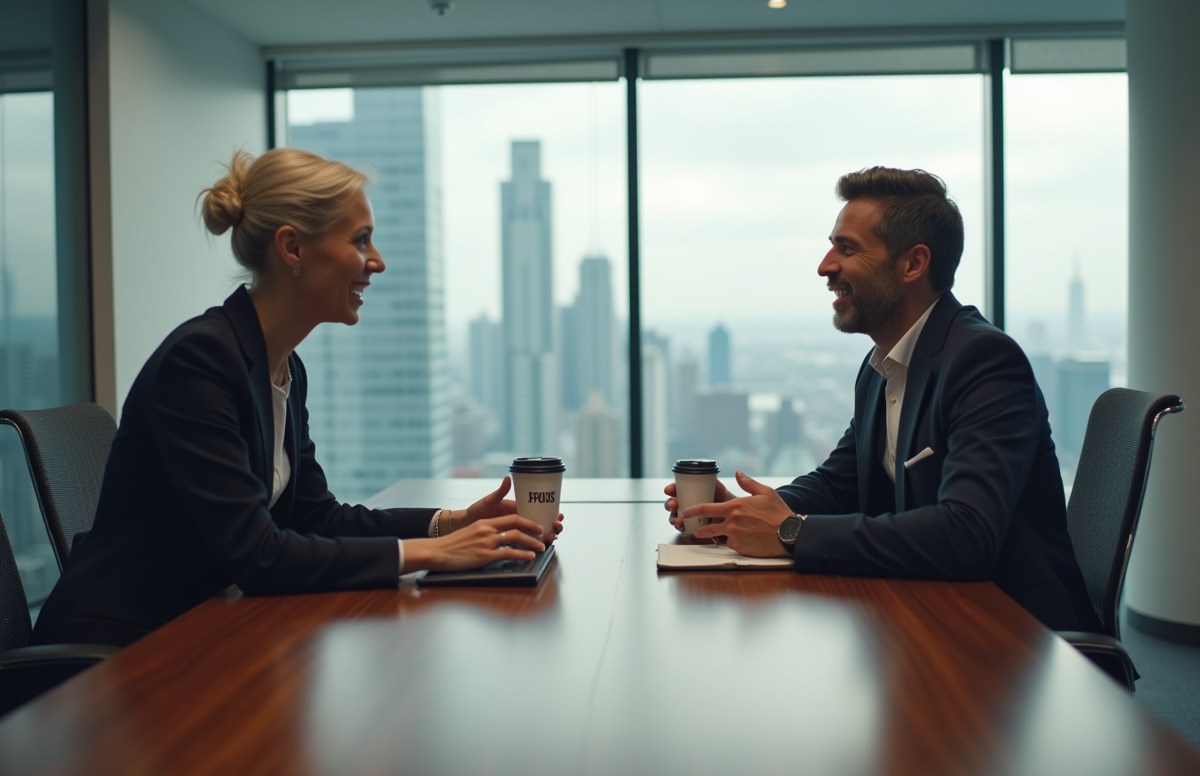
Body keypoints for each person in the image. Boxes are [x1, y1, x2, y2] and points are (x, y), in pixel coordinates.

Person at [32, 148, 560, 648]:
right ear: (292, 248)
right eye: (360, 240)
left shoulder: (282, 366)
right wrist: (435, 554)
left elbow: (315, 517)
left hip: (204, 626)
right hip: (121, 652)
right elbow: (257, 555)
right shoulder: (200, 362)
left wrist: (453, 522)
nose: (376, 261)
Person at [664, 167, 1099, 633]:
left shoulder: (984, 360)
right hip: (927, 615)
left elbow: (968, 533)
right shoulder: (882, 366)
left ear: (913, 264)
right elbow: (840, 484)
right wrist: (742, 514)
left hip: (1014, 637)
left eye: (847, 248)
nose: (825, 265)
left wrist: (791, 532)